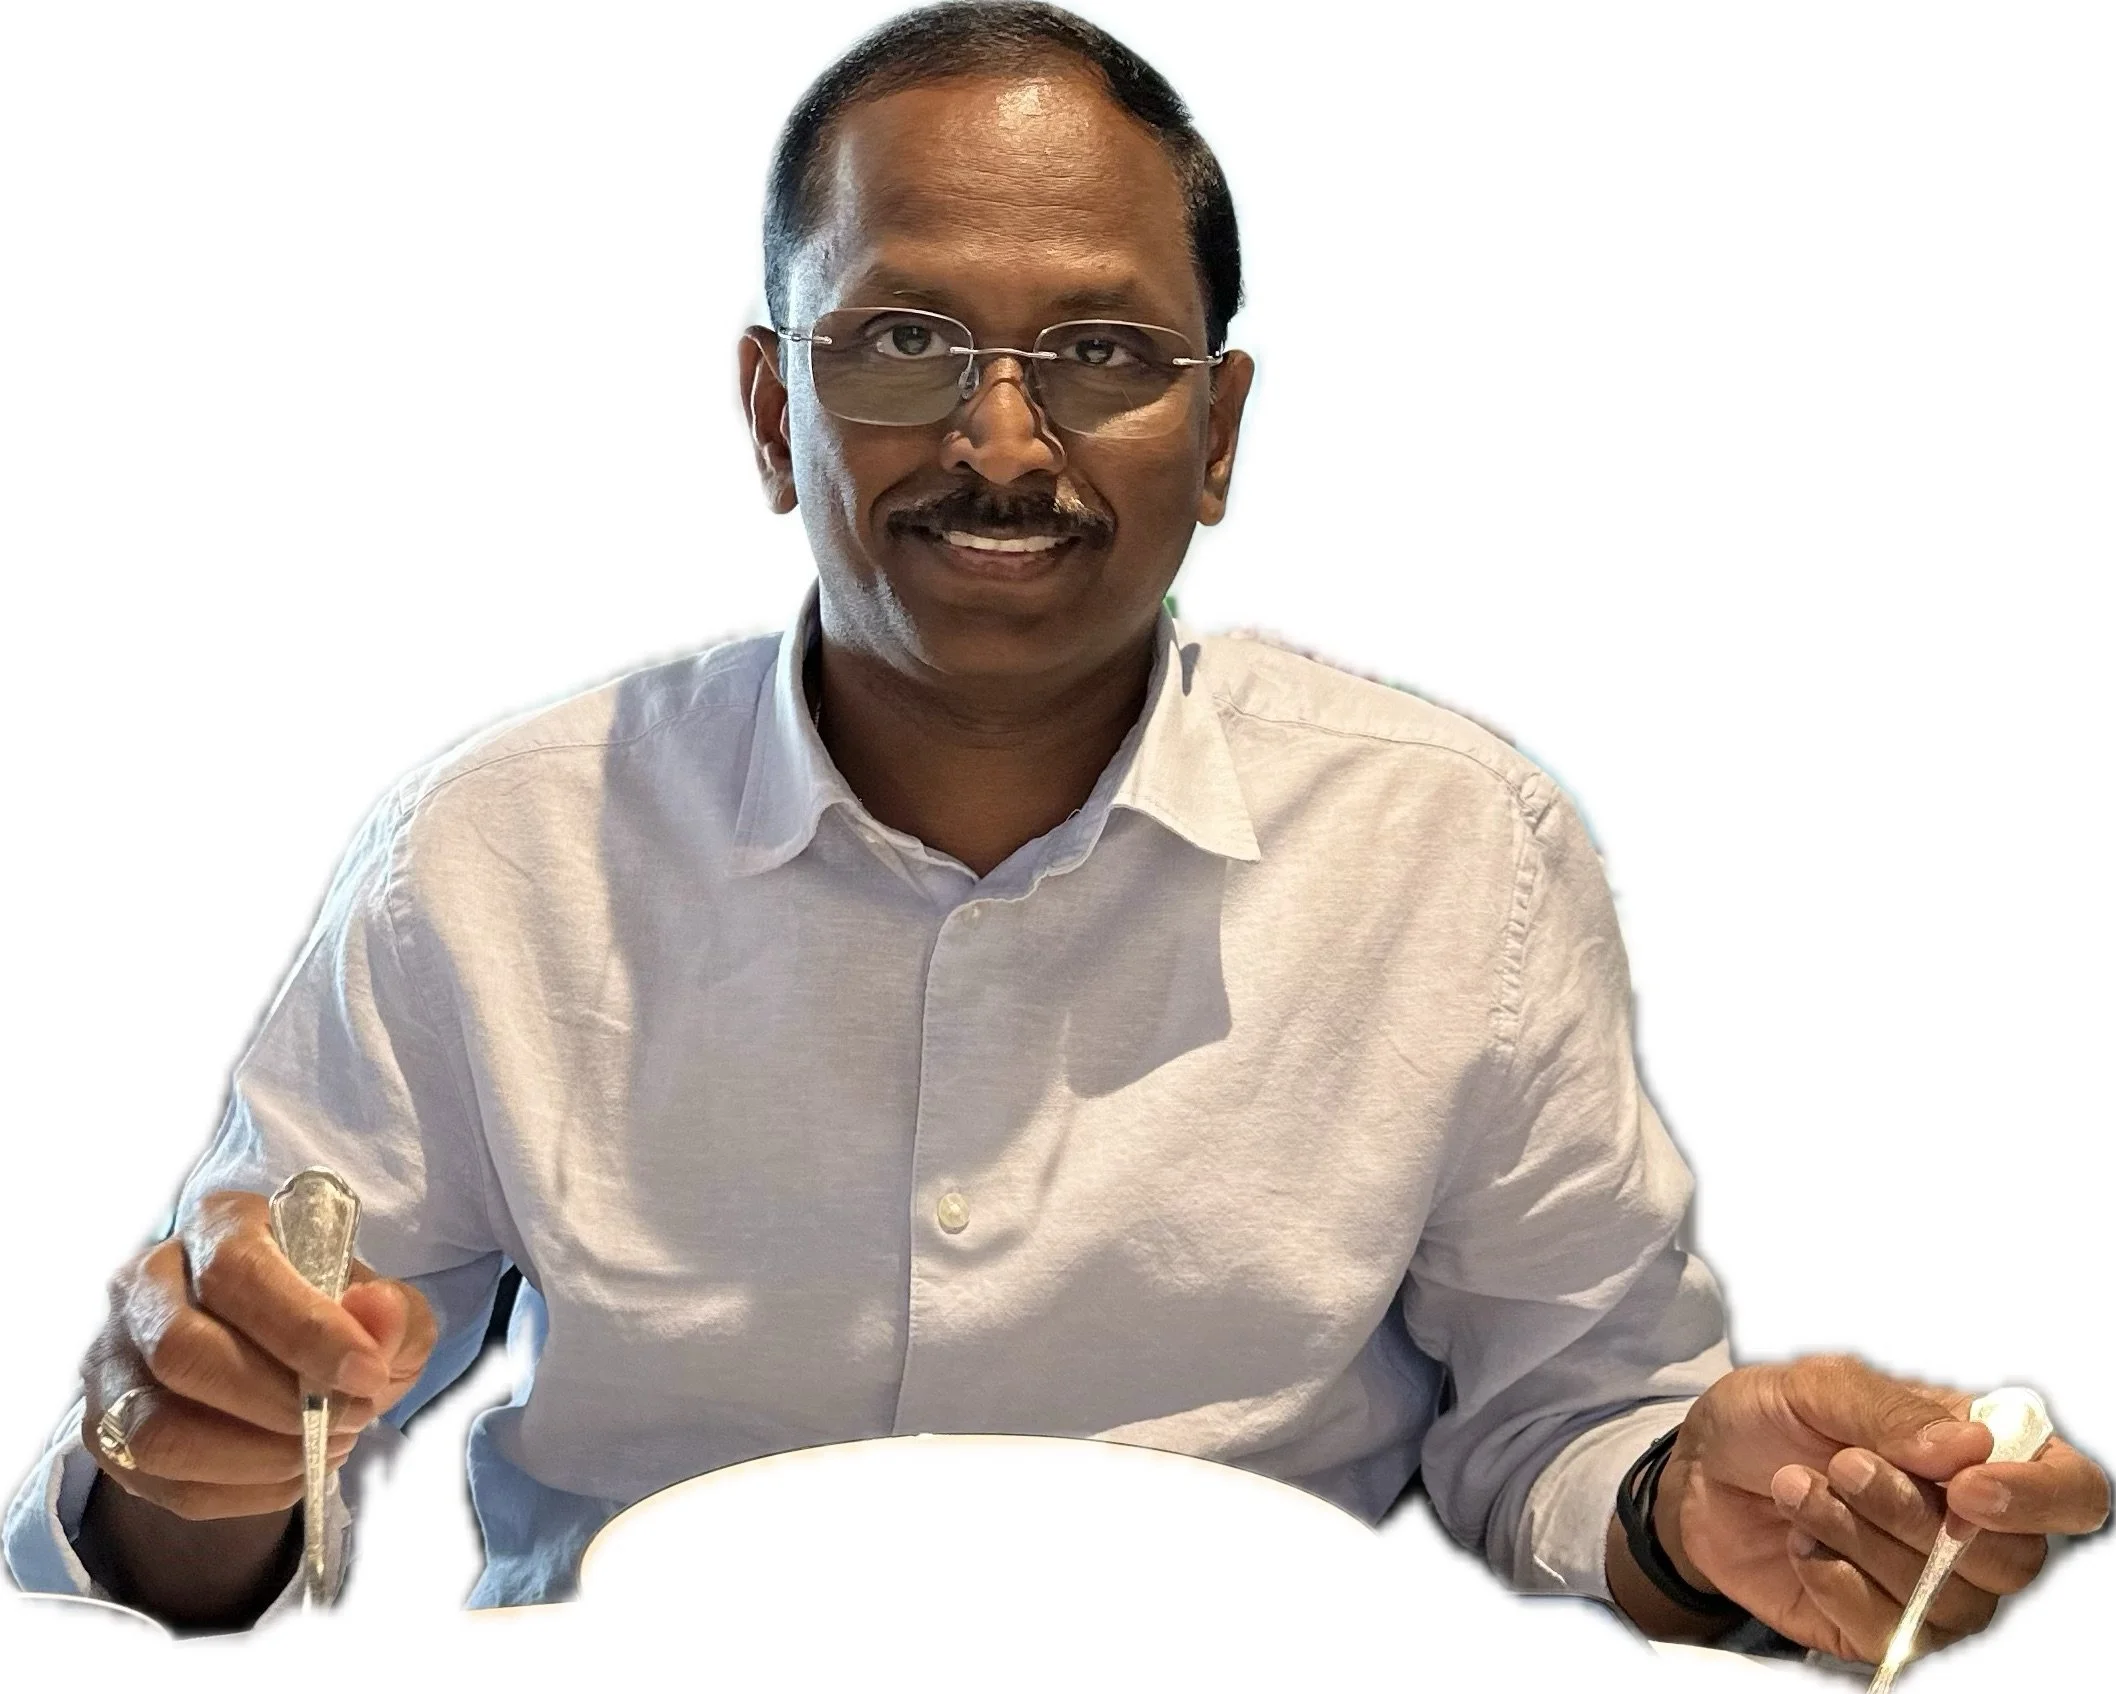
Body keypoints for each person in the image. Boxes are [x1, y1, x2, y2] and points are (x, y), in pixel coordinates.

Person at [6, 0, 2106, 1664]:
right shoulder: (493, 857)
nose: (999, 440)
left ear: (1219, 433)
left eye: (1099, 352)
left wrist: (1700, 1515)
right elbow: (218, 1477)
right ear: (774, 412)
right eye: (901, 344)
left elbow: (1567, 1425)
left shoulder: (1456, 853)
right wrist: (186, 1456)